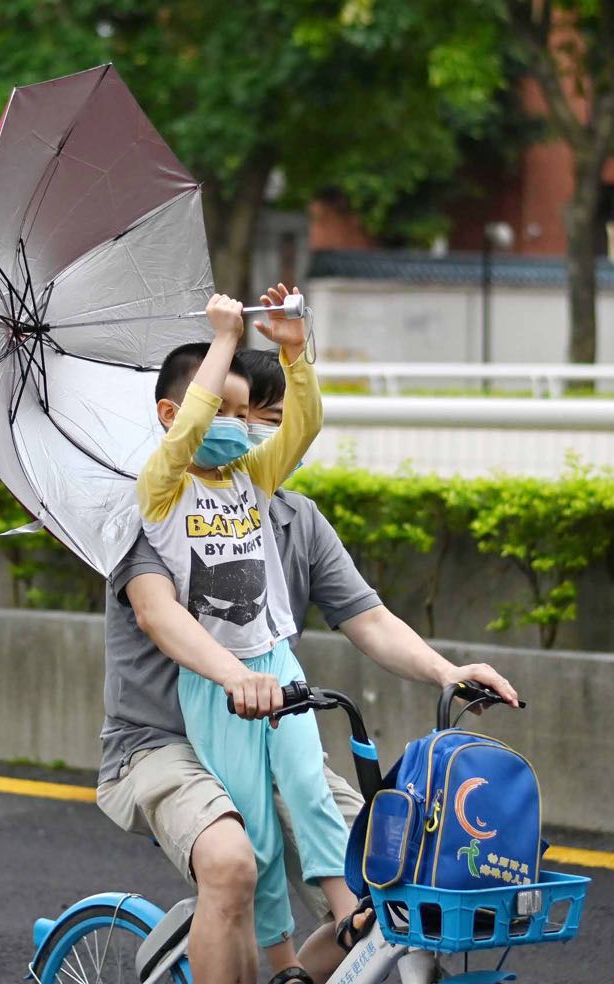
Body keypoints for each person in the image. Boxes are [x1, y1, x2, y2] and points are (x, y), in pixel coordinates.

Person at [99, 342, 520, 984]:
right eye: (236, 415)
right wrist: (235, 675)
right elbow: (160, 615)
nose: (251, 432)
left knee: (392, 874)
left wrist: (446, 671)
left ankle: (304, 963)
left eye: (268, 420)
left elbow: (370, 620)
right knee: (234, 861)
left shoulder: (294, 518)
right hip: (161, 741)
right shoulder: (151, 510)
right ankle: (274, 955)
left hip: (274, 714)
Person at [135, 284, 354, 984]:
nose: (235, 425)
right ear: (173, 415)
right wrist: (224, 338)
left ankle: (346, 909)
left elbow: (303, 427)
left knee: (308, 785)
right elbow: (189, 426)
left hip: (276, 660)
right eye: (222, 411)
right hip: (216, 683)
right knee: (254, 831)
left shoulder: (248, 477)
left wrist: (295, 354)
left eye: (242, 413)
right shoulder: (163, 486)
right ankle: (283, 963)